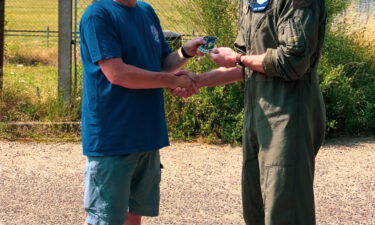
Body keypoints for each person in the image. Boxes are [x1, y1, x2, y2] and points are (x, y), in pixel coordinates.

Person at [183, 0, 327, 224]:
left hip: (287, 118)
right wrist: (198, 81)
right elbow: (245, 66)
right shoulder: (249, 2)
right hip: (257, 119)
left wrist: (238, 58)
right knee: (255, 209)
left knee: (285, 210)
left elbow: (292, 61)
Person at [79, 0, 204, 224]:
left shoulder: (145, 11)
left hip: (146, 135)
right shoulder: (98, 15)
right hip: (113, 137)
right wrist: (171, 81)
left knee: (134, 216)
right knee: (105, 219)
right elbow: (117, 74)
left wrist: (185, 52)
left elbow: (163, 64)